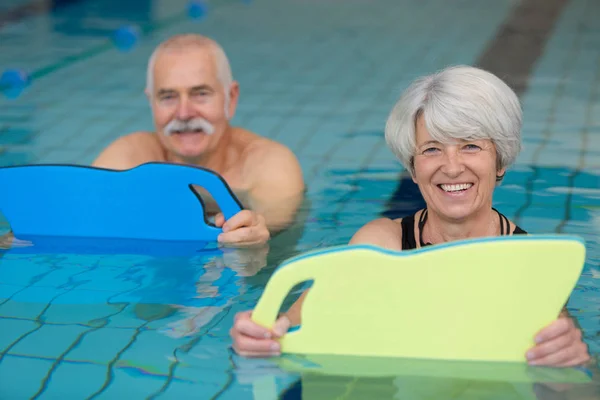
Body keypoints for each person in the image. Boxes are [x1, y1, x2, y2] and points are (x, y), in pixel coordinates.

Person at [229, 65, 592, 367]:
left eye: (470, 146)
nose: (451, 168)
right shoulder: (380, 247)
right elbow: (288, 329)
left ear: (499, 161)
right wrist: (255, 338)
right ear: (413, 168)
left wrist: (572, 360)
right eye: (432, 149)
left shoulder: (529, 263)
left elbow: (570, 382)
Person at [92, 34, 305, 247]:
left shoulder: (267, 164)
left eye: (200, 94)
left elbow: (274, 221)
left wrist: (256, 231)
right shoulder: (128, 159)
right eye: (168, 97)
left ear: (231, 98)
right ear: (151, 103)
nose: (184, 113)